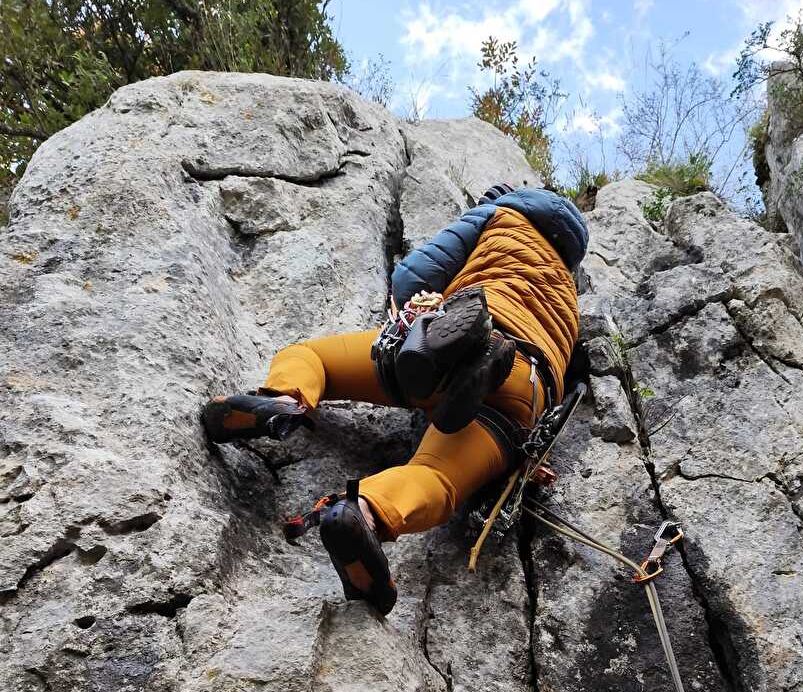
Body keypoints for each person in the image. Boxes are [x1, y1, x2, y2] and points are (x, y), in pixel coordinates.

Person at [202, 182, 589, 615]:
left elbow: (413, 276)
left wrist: (413, 305)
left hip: (453, 338)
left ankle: (287, 399)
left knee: (312, 358)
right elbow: (573, 380)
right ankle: (363, 511)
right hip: (526, 387)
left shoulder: (500, 217)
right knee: (436, 477)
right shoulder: (570, 294)